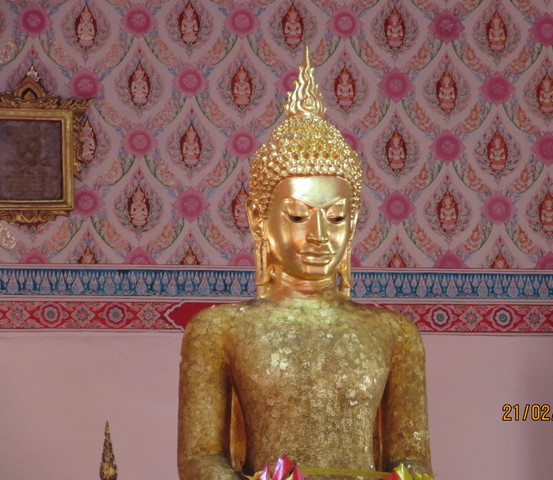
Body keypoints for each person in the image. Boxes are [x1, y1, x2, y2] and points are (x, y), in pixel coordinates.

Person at [178, 47, 433, 480]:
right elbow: (200, 459)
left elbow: (413, 460)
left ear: (353, 223)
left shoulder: (394, 334)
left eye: (335, 217)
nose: (318, 234)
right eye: (298, 216)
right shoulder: (219, 330)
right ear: (259, 220)